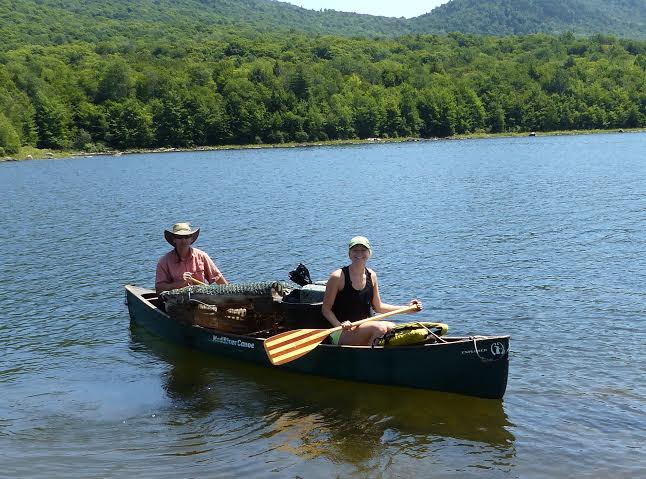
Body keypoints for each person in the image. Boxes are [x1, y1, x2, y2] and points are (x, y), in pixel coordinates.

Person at [321, 236, 422, 346]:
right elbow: (326, 309)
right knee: (380, 328)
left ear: (369, 253)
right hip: (342, 332)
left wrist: (408, 309)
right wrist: (339, 325)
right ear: (349, 254)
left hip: (365, 326)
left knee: (393, 328)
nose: (359, 253)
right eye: (355, 250)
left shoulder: (372, 275)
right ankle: (368, 359)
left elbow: (379, 307)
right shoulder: (337, 277)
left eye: (363, 250)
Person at [155, 222, 227, 294]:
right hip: (177, 302)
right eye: (180, 237)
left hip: (203, 299)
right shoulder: (164, 262)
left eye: (187, 236)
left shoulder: (202, 256)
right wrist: (179, 283)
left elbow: (218, 278)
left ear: (191, 239)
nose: (183, 240)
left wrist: (231, 295)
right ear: (174, 239)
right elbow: (159, 288)